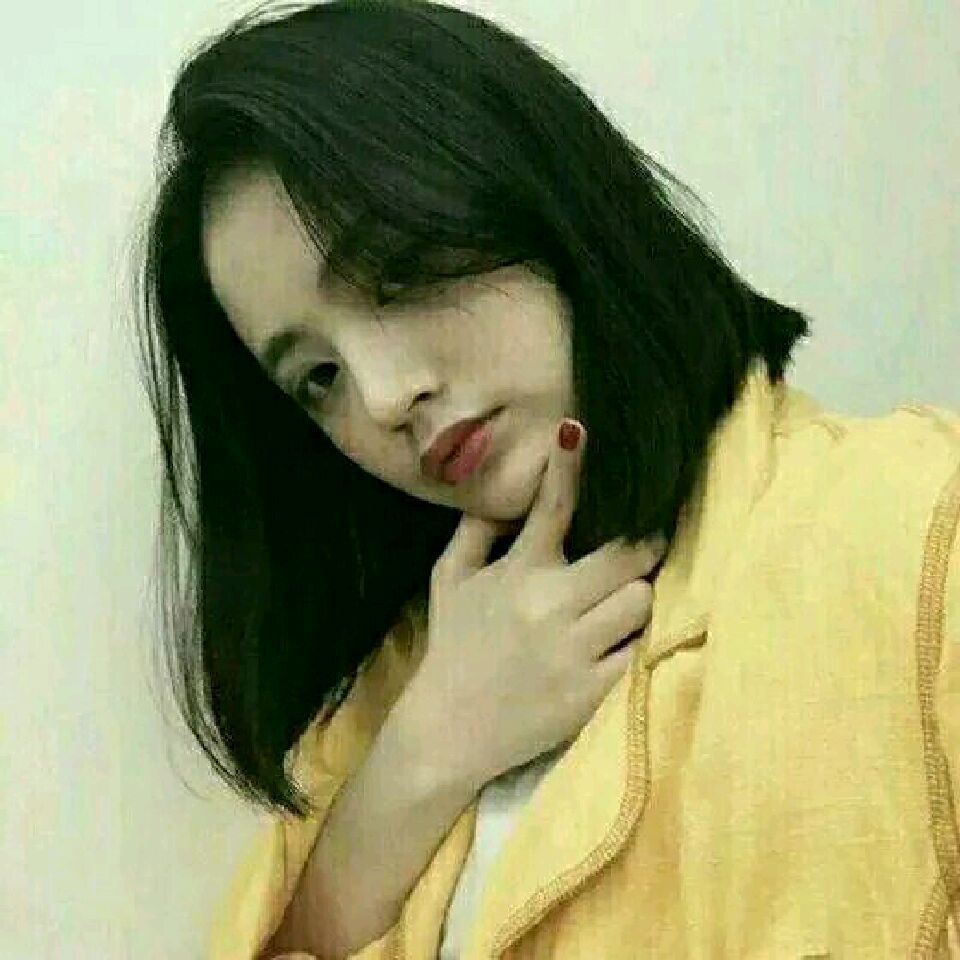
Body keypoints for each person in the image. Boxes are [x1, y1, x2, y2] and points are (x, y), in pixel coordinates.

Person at [129, 1, 960, 957]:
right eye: (319, 378)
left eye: (396, 272)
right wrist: (415, 767)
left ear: (535, 193)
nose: (386, 396)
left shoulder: (912, 533)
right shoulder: (385, 702)